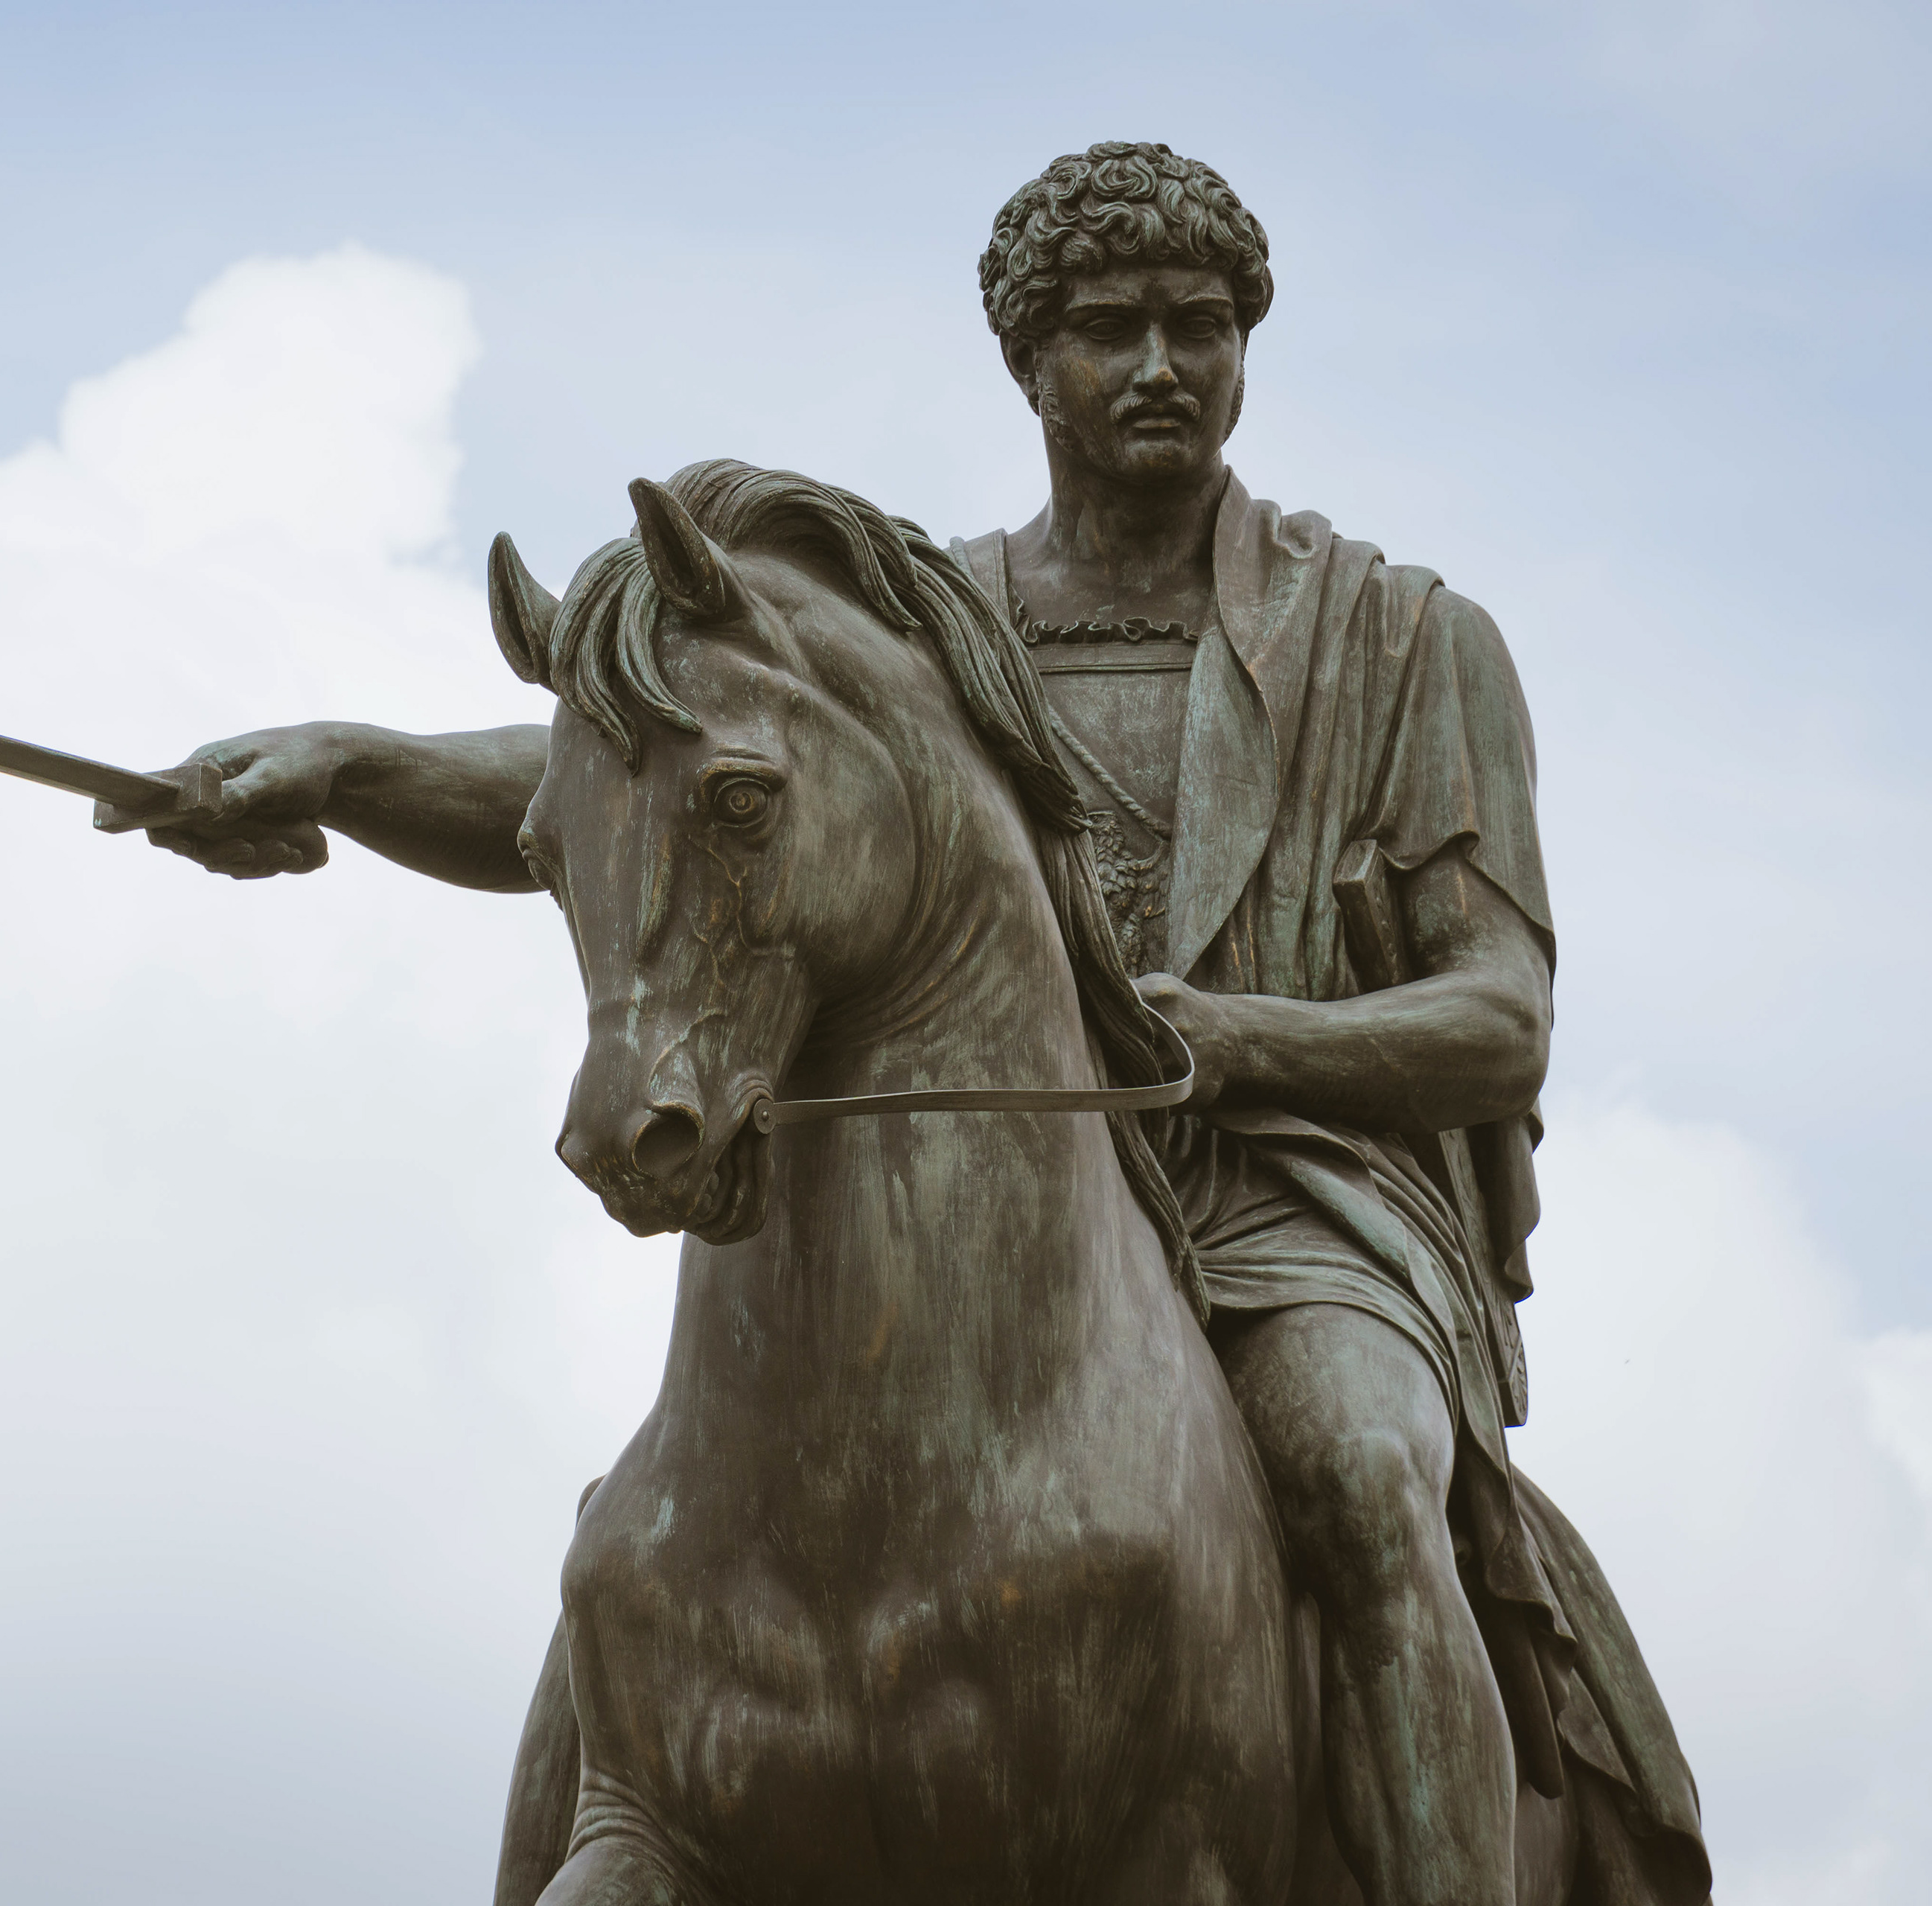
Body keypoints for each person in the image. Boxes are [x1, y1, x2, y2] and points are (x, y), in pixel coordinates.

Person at [105, 142, 1706, 1905]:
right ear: (1028, 361)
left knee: (1357, 1467)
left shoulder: (1401, 640)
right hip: (941, 1226)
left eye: (1198, 324)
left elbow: (1497, 1017)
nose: (1159, 365)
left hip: (1285, 1209)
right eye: (1107, 328)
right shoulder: (919, 634)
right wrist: (344, 767)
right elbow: (642, 770)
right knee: (635, 1557)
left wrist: (1241, 1040)